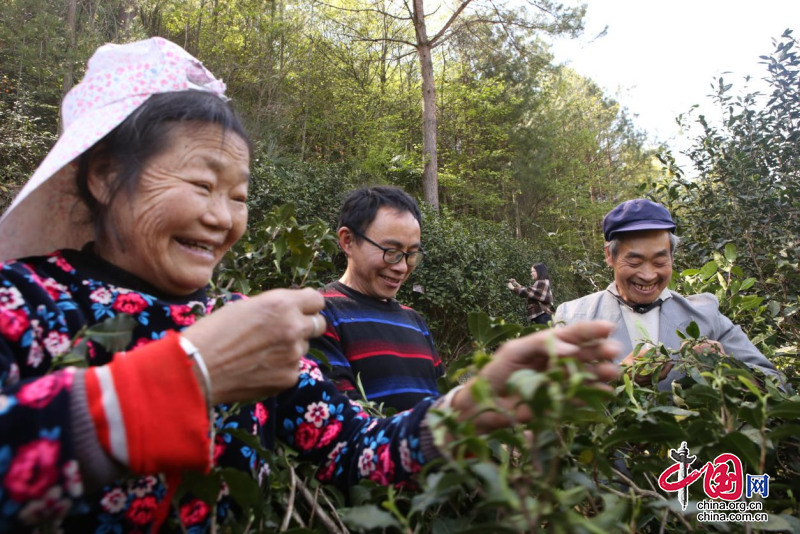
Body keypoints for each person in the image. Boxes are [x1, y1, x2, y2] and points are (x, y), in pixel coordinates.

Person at [0, 38, 620, 532]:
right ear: (106, 177)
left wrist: (471, 406)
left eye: (238, 195)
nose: (222, 217)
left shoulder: (247, 325)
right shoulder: (26, 303)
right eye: (199, 185)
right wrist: (186, 377)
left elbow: (360, 452)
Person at [554, 199, 779, 390]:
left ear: (672, 257)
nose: (648, 275)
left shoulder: (705, 314)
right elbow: (553, 400)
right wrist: (619, 377)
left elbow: (776, 384)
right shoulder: (573, 317)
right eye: (634, 261)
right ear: (609, 256)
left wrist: (724, 366)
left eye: (660, 261)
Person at [310, 187, 443, 411]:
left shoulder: (415, 322)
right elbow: (343, 425)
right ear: (348, 241)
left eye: (412, 254)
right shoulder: (320, 314)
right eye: (391, 251)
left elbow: (442, 404)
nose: (402, 267)